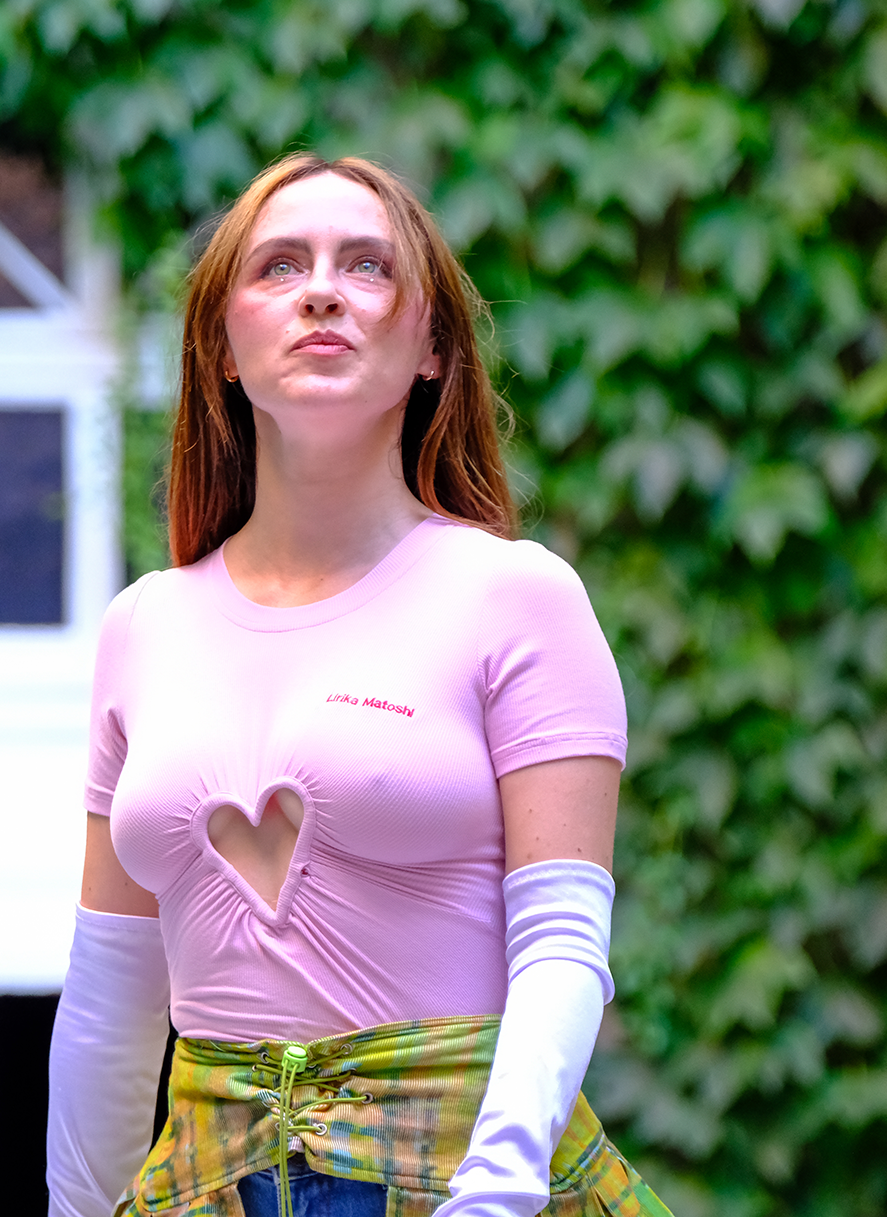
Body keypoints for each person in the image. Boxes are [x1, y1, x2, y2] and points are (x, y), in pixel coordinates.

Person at [45, 154, 673, 1217]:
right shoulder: (143, 626)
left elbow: (563, 941)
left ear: (433, 348)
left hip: (472, 1186)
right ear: (221, 347)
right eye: (279, 265)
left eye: (368, 266)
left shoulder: (516, 597)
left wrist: (498, 1186)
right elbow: (111, 996)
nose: (323, 291)